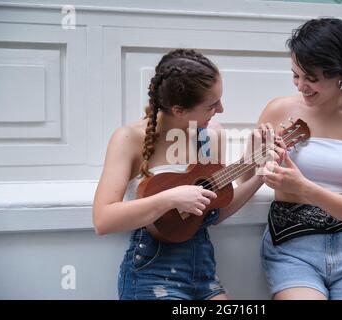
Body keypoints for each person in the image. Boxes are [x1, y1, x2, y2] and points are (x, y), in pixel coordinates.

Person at [92, 49, 270, 300]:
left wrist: (260, 175)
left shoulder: (211, 136)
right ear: (179, 110)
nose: (221, 109)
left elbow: (214, 214)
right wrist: (171, 198)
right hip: (152, 272)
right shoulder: (129, 138)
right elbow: (103, 219)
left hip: (204, 271)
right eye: (212, 104)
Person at [238, 18, 342, 300]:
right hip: (292, 243)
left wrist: (305, 188)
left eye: (312, 78)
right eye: (296, 75)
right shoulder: (278, 109)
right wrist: (251, 156)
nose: (301, 86)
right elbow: (246, 179)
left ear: (340, 72)